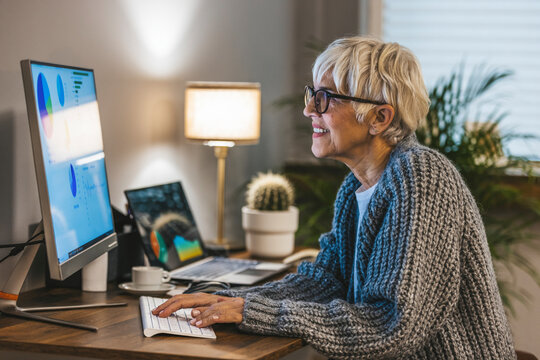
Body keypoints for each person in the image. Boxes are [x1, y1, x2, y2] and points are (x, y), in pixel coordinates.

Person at [153, 36, 516, 359]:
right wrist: (236, 301)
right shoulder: (356, 187)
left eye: (325, 99)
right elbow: (326, 282)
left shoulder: (421, 176)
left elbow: (391, 326)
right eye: (312, 95)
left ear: (379, 117)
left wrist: (251, 312)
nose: (309, 110)